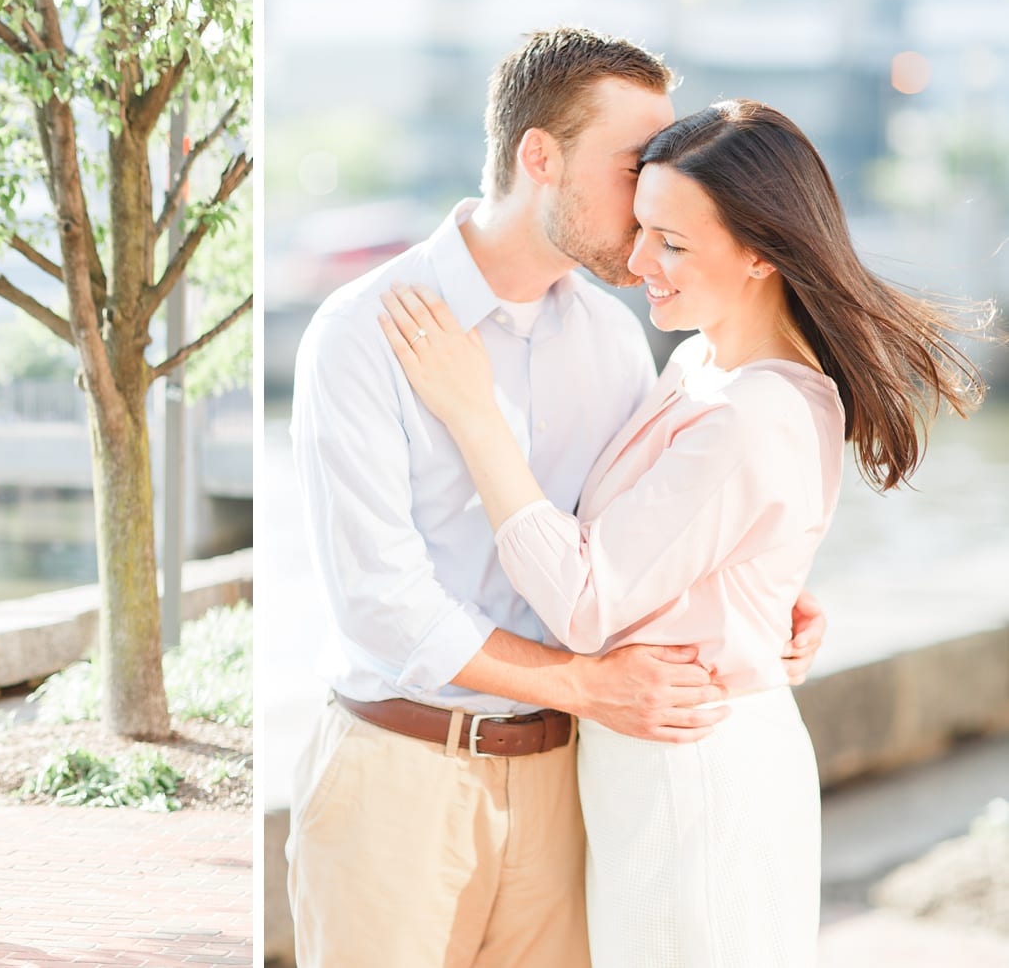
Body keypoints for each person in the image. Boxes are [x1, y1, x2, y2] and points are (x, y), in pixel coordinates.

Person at [381, 99, 986, 966]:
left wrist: (472, 412)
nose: (634, 262)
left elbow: (588, 601)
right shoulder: (703, 361)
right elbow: (695, 539)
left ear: (760, 253)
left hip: (694, 778)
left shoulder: (756, 410)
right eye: (641, 229)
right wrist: (753, 596)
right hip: (663, 760)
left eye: (671, 242)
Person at [286, 27, 828, 968]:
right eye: (635, 165)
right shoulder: (366, 329)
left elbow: (636, 538)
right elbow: (382, 606)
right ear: (540, 157)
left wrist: (757, 590)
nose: (657, 188)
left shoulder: (617, 341)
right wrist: (589, 685)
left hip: (570, 784)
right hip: (403, 778)